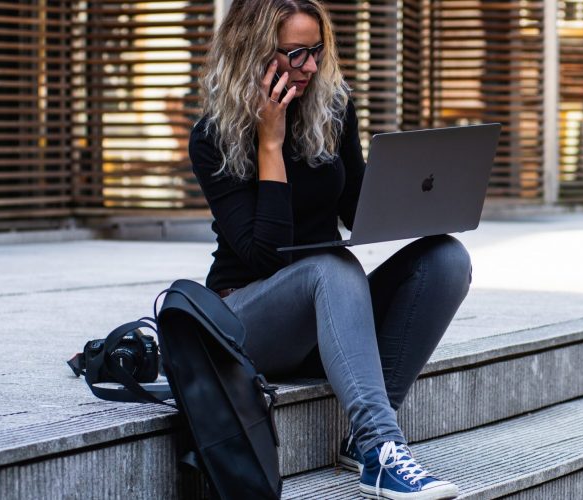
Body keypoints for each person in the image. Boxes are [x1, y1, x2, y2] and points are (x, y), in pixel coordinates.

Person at [188, 0, 471, 498]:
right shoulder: (212, 137)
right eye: (296, 54)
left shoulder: (332, 109)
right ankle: (380, 450)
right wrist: (269, 144)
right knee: (332, 267)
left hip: (327, 315)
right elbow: (264, 256)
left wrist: (419, 196)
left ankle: (361, 442)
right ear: (253, 52)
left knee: (446, 259)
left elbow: (354, 208)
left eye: (317, 51)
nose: (312, 67)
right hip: (247, 323)